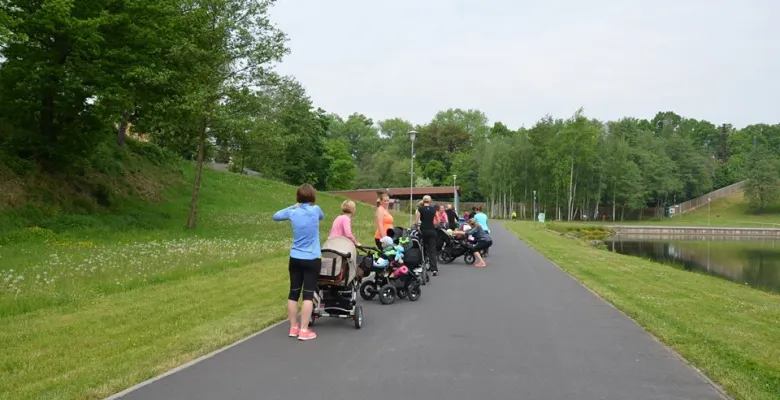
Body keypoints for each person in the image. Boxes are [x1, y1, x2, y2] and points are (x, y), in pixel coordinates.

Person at [272, 183, 324, 341]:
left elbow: (276, 216)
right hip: (312, 257)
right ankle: (303, 329)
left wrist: (294, 206)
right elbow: (322, 216)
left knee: (293, 292)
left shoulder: (292, 212)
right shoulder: (316, 210)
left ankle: (293, 327)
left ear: (298, 197)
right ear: (312, 197)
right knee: (308, 294)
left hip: (295, 257)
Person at [415, 195, 440, 276]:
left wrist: (417, 227)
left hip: (423, 230)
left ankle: (423, 265)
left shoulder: (420, 209)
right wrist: (435, 226)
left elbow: (416, 221)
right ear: (430, 201)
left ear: (423, 201)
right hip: (432, 230)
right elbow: (438, 220)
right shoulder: (433, 209)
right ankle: (434, 269)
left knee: (423, 247)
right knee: (432, 249)